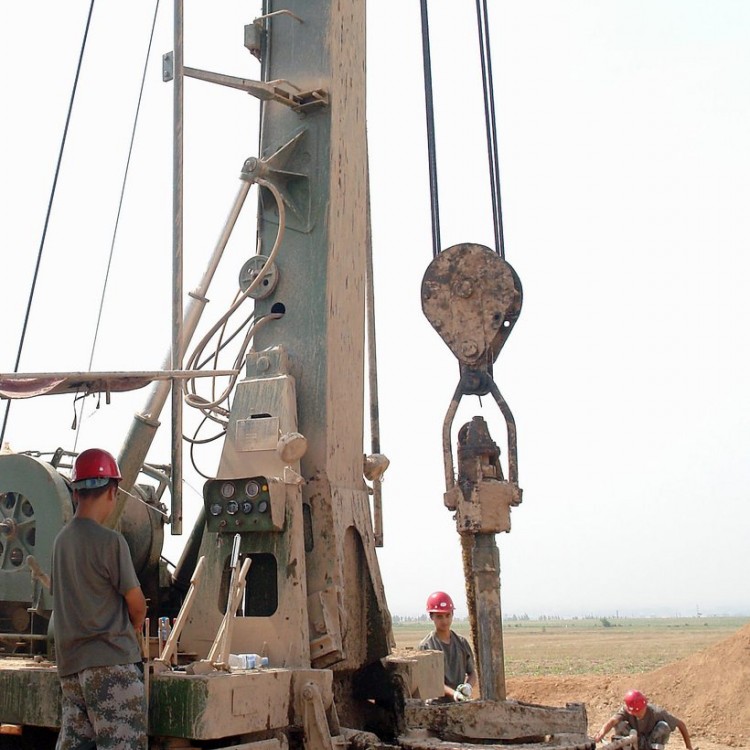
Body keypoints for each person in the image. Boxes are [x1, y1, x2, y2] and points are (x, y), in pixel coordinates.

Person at [51, 448, 148, 750]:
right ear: (112, 491)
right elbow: (136, 604)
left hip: (71, 671)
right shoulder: (112, 542)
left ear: (76, 491)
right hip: (112, 668)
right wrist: (134, 626)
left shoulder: (60, 542)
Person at [419, 591, 477, 702]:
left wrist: (468, 687)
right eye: (439, 616)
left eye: (447, 615)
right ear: (432, 616)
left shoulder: (461, 643)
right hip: (435, 706)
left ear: (452, 614)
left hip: (460, 703)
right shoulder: (426, 646)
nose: (445, 621)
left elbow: (472, 673)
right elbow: (431, 681)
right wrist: (454, 694)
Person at [593, 689, 694, 750]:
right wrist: (601, 734)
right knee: (620, 724)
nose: (639, 713)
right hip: (635, 742)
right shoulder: (626, 710)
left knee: (663, 726)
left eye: (641, 710)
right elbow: (612, 721)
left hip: (651, 742)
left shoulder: (657, 712)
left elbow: (681, 724)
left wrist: (689, 747)